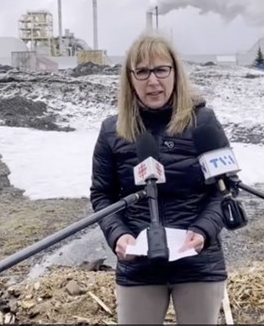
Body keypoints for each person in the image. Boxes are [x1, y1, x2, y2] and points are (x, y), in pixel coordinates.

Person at [89, 32, 232, 324]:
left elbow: (225, 189)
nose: (152, 81)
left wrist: (203, 230)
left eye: (161, 70)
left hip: (198, 262)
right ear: (130, 79)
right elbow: (102, 195)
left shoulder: (203, 123)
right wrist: (119, 235)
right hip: (139, 266)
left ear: (175, 73)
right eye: (142, 71)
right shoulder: (111, 131)